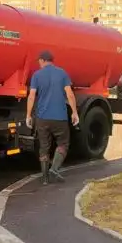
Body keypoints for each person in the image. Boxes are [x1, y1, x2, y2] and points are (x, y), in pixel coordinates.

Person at [26, 50, 79, 185]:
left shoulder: (37, 75)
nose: (39, 63)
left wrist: (28, 115)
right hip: (59, 117)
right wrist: (74, 112)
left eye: (39, 61)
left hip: (42, 118)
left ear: (43, 60)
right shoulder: (62, 73)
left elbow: (32, 96)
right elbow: (70, 94)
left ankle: (45, 179)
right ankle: (54, 169)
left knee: (44, 146)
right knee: (63, 143)